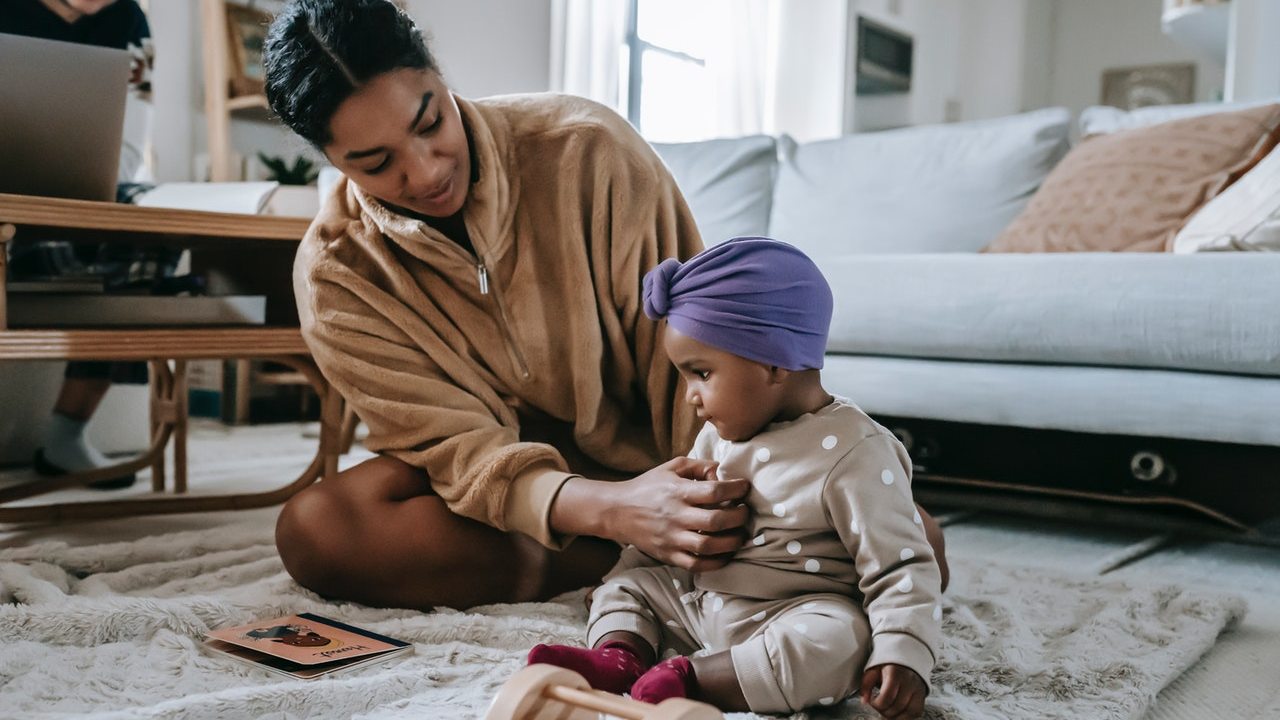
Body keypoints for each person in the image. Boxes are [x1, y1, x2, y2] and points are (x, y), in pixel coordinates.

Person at [263, 0, 948, 612]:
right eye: (376, 162)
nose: (425, 171)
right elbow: (455, 451)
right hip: (515, 488)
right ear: (332, 159)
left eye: (430, 122)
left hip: (664, 457)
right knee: (318, 530)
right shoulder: (336, 276)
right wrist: (610, 510)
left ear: (439, 74)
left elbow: (689, 362)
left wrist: (716, 494)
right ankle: (641, 557)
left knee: (914, 544)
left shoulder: (585, 149)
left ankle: (651, 556)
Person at [525, 238, 941, 719]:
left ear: (773, 361)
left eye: (700, 373)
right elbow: (680, 521)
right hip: (703, 604)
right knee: (629, 584)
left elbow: (901, 567)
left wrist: (903, 654)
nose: (690, 397)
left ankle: (696, 680)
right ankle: (621, 657)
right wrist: (626, 578)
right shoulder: (716, 438)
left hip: (795, 614)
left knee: (843, 640)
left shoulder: (856, 451)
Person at [2, 0, 161, 489]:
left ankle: (68, 433)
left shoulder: (130, 22)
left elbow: (133, 133)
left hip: (80, 197)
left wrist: (96, 191)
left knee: (150, 223)